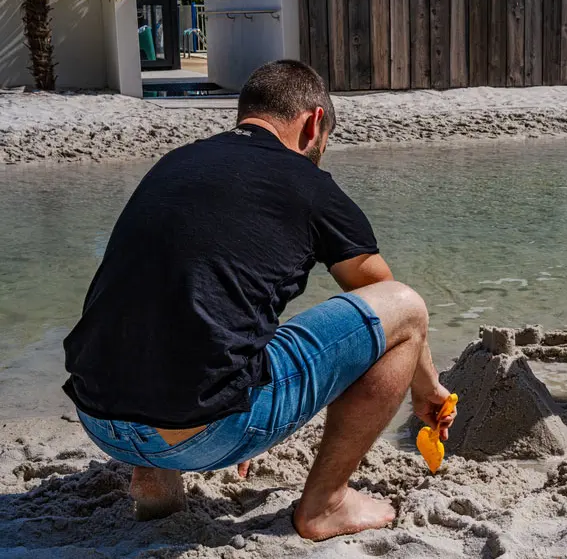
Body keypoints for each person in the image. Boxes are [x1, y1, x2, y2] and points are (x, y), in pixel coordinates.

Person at [62, 60, 454, 541]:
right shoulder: (310, 186)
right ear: (313, 123)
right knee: (407, 308)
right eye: (323, 145)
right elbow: (386, 300)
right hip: (201, 434)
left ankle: (151, 482)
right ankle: (326, 503)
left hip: (98, 419)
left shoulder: (175, 163)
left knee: (169, 293)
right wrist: (428, 387)